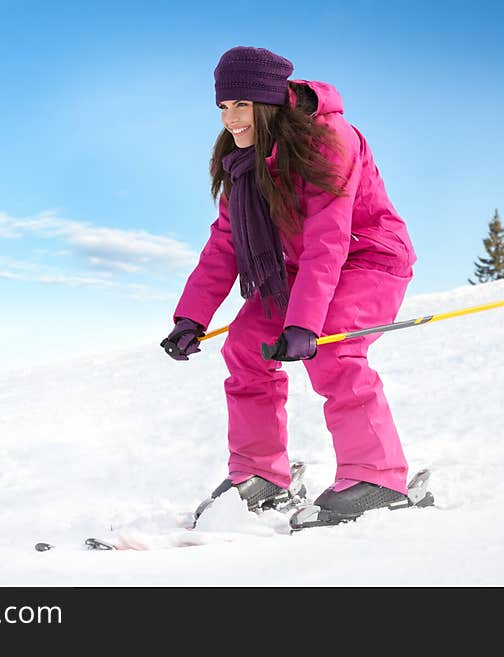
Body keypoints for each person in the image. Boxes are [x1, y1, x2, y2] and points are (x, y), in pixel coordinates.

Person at [162, 46, 419, 527]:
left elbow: (329, 234)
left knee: (333, 348)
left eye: (241, 105)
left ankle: (378, 477)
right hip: (298, 269)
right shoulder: (242, 159)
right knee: (244, 347)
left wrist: (304, 323)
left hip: (368, 256)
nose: (231, 119)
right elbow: (225, 242)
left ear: (269, 101)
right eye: (222, 107)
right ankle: (260, 474)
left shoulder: (330, 139)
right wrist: (190, 317)